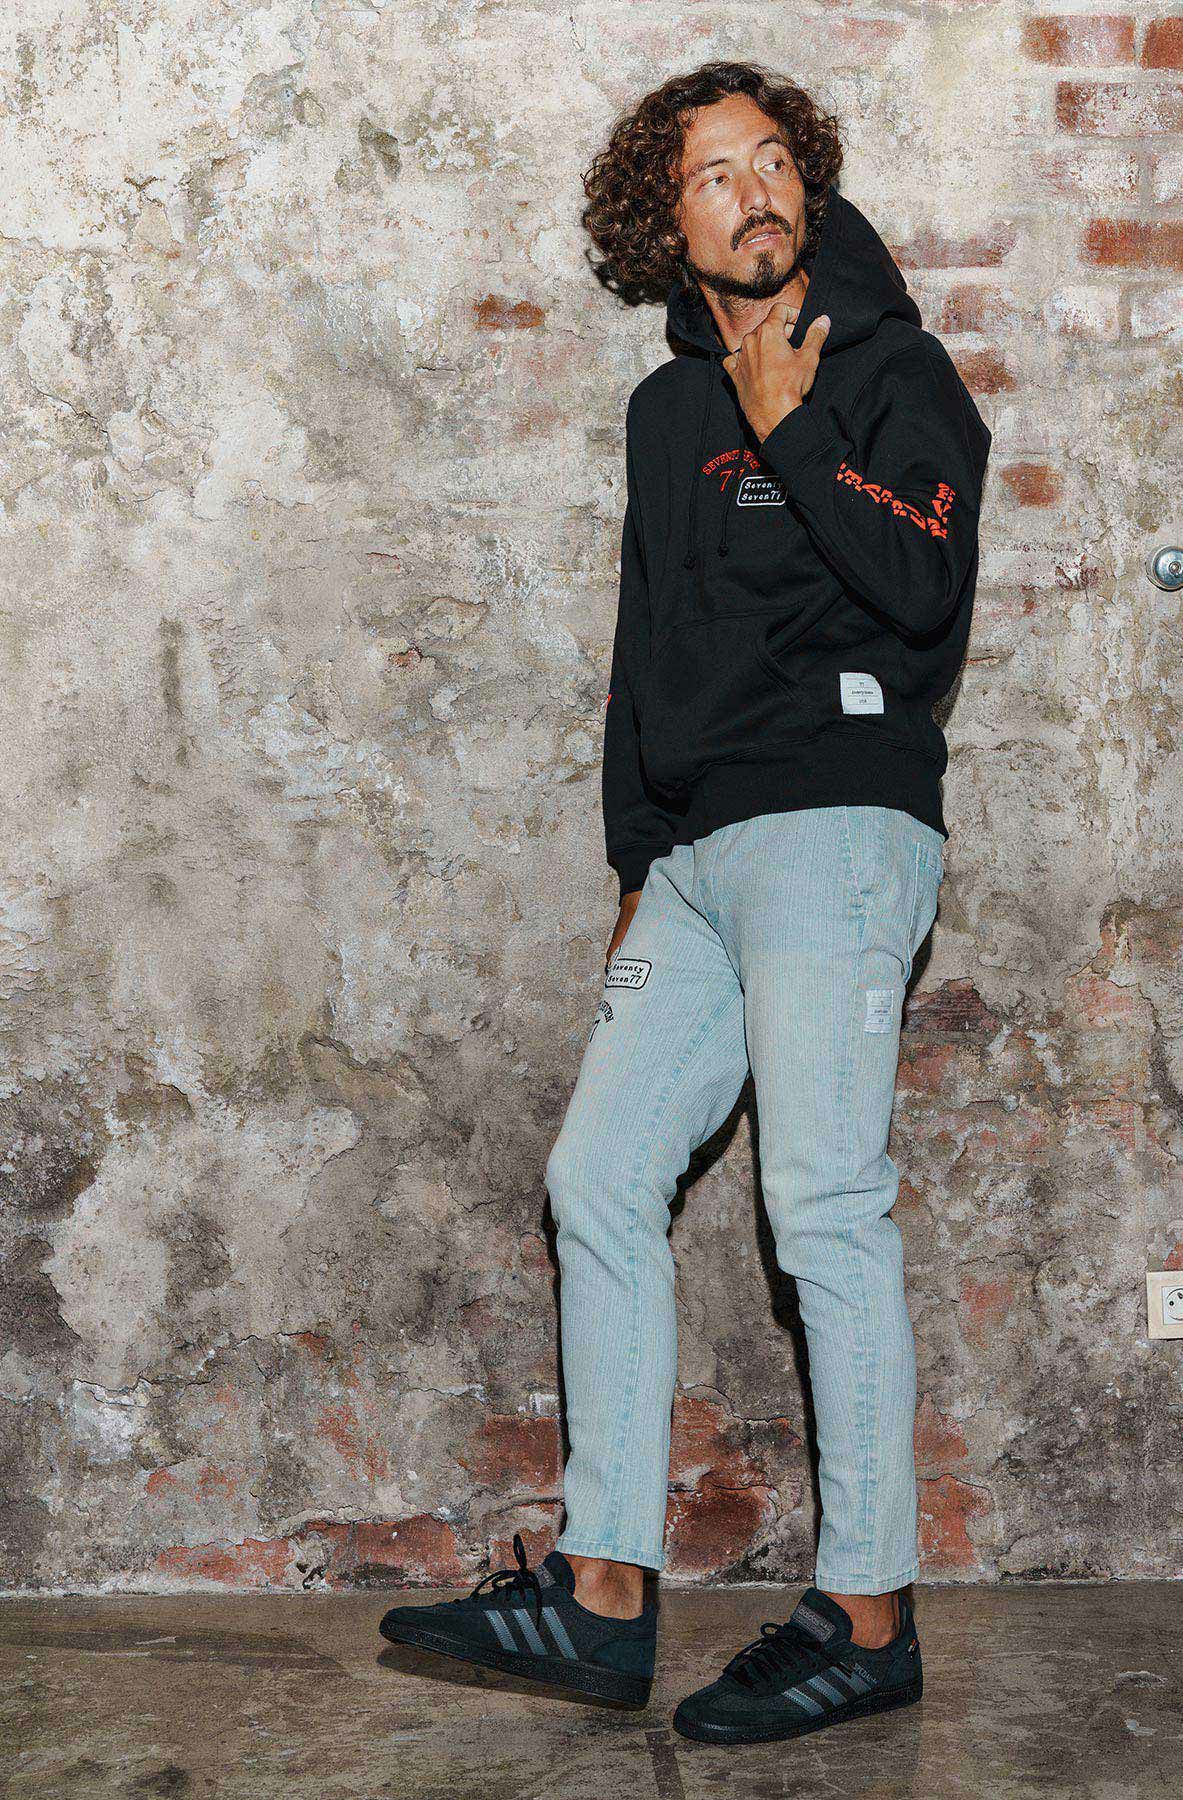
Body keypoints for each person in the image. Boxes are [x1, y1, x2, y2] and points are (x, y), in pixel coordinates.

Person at [380, 58, 992, 1745]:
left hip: (838, 827)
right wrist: (636, 857)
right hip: (701, 859)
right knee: (597, 1176)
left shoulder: (893, 370)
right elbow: (646, 647)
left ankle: (869, 1614)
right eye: (713, 174)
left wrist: (795, 429)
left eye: (773, 158)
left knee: (824, 1204)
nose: (754, 190)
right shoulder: (664, 414)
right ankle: (600, 1597)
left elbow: (923, 583)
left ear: (810, 183)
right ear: (669, 224)